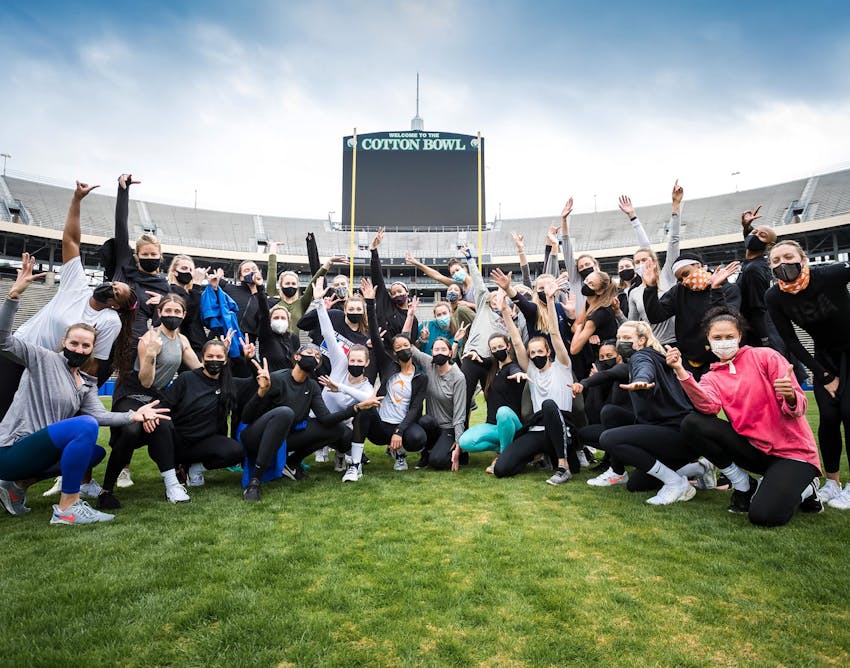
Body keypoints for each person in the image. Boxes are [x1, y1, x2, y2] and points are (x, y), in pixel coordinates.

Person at [0, 254, 168, 524]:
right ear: (64, 341)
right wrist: (13, 296)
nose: (79, 349)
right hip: (11, 450)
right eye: (74, 343)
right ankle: (68, 508)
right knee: (84, 426)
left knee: (93, 453)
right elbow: (4, 342)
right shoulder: (42, 358)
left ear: (93, 349)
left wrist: (133, 416)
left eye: (85, 345)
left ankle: (16, 486)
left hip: (35, 454)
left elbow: (101, 416)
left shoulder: (86, 382)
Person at [669, 307, 823, 524]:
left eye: (729, 336)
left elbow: (798, 409)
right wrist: (680, 371)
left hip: (793, 453)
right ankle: (743, 485)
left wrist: (790, 396)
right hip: (755, 450)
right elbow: (708, 408)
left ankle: (807, 489)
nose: (724, 342)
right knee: (692, 423)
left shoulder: (766, 356)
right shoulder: (711, 377)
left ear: (740, 336)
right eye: (717, 338)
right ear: (708, 339)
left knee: (764, 516)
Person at [765, 240, 850, 508]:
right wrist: (824, 376)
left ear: (803, 259)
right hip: (824, 357)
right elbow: (791, 341)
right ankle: (832, 483)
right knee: (828, 417)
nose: (782, 263)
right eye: (776, 260)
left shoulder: (830, 274)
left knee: (849, 413)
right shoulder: (774, 297)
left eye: (788, 257)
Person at [99, 294, 206, 507]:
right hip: (132, 393)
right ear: (159, 313)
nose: (172, 315)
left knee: (164, 425)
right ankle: (106, 491)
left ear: (184, 315)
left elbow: (199, 370)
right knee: (131, 431)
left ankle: (172, 485)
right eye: (168, 311)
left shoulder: (182, 340)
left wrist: (219, 355)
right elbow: (146, 381)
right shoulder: (149, 339)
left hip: (156, 396)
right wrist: (150, 355)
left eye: (177, 311)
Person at [238, 345, 380, 501]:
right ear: (297, 356)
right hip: (257, 436)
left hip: (285, 438)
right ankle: (254, 482)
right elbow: (246, 417)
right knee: (285, 413)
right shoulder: (277, 378)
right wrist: (261, 392)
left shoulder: (312, 387)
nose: (313, 357)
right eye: (309, 353)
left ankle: (292, 463)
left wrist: (356, 408)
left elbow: (326, 419)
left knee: (337, 429)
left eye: (317, 356)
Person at [592, 321, 701, 504]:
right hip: (672, 434)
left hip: (676, 434)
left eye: (627, 337)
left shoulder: (641, 356)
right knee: (636, 484)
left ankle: (675, 483)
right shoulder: (655, 356)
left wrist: (641, 381)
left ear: (641, 340)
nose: (621, 342)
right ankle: (699, 469)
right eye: (619, 338)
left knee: (608, 439)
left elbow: (644, 369)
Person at [142, 339, 258, 490]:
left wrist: (251, 359)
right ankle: (173, 477)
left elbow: (257, 382)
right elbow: (165, 405)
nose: (214, 360)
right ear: (202, 359)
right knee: (160, 424)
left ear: (225, 360)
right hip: (178, 441)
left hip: (205, 444)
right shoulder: (186, 378)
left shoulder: (230, 384)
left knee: (236, 451)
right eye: (210, 356)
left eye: (219, 357)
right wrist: (149, 414)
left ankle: (195, 469)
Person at [494, 278, 578, 485]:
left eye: (540, 351)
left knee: (549, 405)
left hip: (561, 429)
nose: (536, 355)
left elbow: (555, 333)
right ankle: (535, 457)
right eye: (532, 353)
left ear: (548, 352)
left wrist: (550, 300)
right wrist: (504, 311)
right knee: (501, 469)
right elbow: (516, 342)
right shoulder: (531, 368)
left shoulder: (562, 365)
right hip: (538, 431)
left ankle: (563, 466)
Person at [349, 278, 428, 472]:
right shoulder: (389, 365)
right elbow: (375, 336)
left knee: (417, 438)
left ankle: (400, 453)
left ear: (412, 348)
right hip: (382, 425)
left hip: (403, 425)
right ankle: (355, 464)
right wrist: (370, 303)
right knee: (363, 412)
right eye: (398, 347)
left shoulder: (420, 377)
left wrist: (400, 431)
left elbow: (415, 409)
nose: (402, 349)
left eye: (406, 346)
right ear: (393, 351)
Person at [311, 279, 375, 482]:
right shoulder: (340, 361)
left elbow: (367, 398)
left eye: (359, 361)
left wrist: (340, 387)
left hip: (340, 426)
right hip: (319, 419)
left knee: (347, 435)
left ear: (366, 363)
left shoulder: (366, 385)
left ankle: (343, 454)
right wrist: (319, 303)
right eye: (352, 360)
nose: (354, 363)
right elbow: (328, 333)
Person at [642, 252, 741, 379]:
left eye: (686, 274)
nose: (685, 281)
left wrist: (716, 289)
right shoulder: (679, 291)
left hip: (721, 358)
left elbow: (728, 321)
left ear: (698, 265)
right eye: (680, 279)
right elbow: (656, 316)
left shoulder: (728, 289)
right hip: (690, 362)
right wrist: (651, 288)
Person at [401, 299, 467, 470]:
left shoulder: (458, 377)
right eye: (436, 349)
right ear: (431, 352)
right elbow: (405, 343)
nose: (439, 352)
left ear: (450, 353)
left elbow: (460, 415)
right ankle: (426, 451)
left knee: (438, 462)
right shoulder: (429, 363)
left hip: (449, 427)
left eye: (443, 350)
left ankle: (453, 451)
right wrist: (410, 316)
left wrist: (458, 444)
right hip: (432, 425)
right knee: (424, 420)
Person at [455, 334, 526, 473]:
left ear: (508, 346)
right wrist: (474, 353)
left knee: (503, 412)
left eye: (500, 346)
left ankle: (503, 456)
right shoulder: (492, 367)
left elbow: (514, 369)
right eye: (494, 348)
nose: (498, 350)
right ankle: (508, 445)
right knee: (465, 442)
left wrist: (519, 373)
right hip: (493, 426)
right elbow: (481, 360)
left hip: (512, 424)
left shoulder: (513, 367)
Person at [623, 183, 683, 347]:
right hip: (652, 347)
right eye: (637, 262)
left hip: (678, 344)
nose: (641, 264)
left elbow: (674, 241)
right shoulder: (634, 292)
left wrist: (676, 206)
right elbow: (632, 324)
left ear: (654, 262)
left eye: (644, 260)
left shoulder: (667, 277)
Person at [272, 254, 346, 333]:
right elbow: (271, 277)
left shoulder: (301, 303)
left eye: (293, 284)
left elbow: (313, 283)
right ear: (281, 285)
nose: (291, 286)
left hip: (294, 340)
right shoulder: (273, 302)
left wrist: (328, 263)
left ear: (297, 286)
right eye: (287, 283)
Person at [368, 227, 418, 345]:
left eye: (399, 291)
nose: (396, 295)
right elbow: (378, 279)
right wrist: (374, 251)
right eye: (393, 293)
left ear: (407, 292)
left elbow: (411, 343)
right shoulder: (387, 305)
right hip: (380, 349)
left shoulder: (412, 318)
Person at [737, 205, 777, 347]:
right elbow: (751, 239)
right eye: (754, 232)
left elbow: (758, 309)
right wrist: (747, 227)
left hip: (755, 336)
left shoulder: (753, 269)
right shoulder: (752, 263)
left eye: (762, 235)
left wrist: (765, 340)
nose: (755, 235)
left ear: (770, 245)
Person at [167, 254, 209, 358]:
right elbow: (187, 315)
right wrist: (197, 285)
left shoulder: (189, 293)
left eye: (191, 270)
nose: (188, 272)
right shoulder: (172, 291)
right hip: (187, 346)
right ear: (174, 271)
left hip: (198, 344)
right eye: (184, 268)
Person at [569, 270, 619, 358]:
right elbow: (574, 327)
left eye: (591, 284)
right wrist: (588, 335)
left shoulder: (598, 313)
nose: (585, 284)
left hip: (606, 357)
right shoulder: (589, 303)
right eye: (586, 280)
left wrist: (581, 328)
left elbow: (574, 349)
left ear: (600, 291)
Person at [406, 251, 477, 308]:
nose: (456, 274)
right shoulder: (458, 285)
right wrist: (416, 263)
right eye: (453, 273)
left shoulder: (476, 284)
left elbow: (483, 306)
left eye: (457, 270)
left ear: (464, 268)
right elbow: (437, 276)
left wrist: (469, 305)